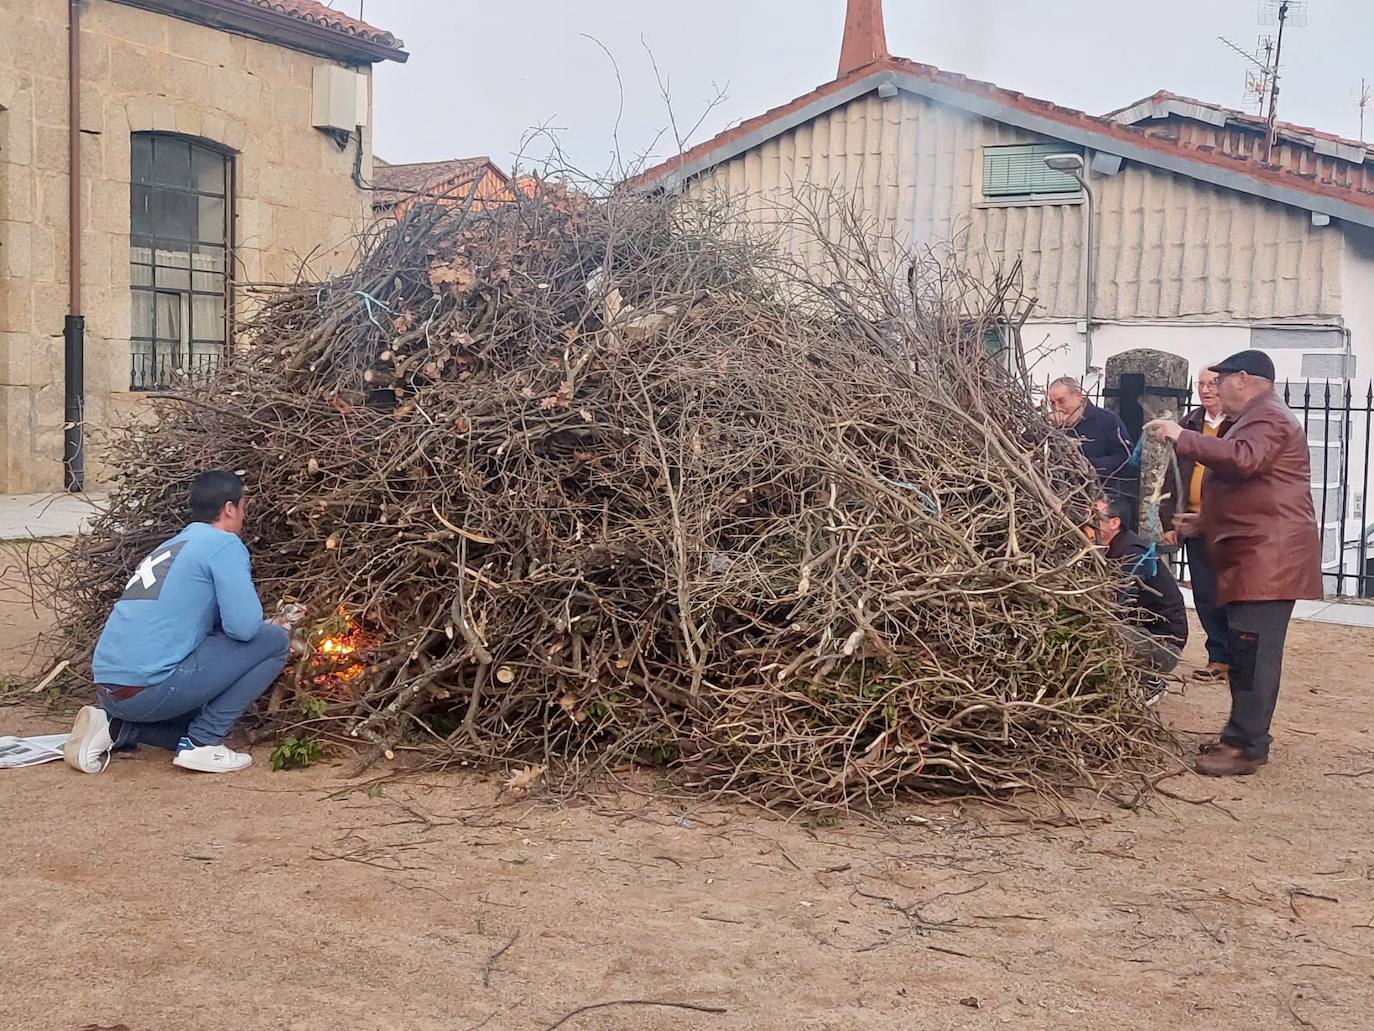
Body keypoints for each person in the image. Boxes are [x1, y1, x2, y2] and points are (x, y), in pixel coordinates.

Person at [1146, 350, 1321, 777]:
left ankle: (1246, 746)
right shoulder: (1257, 418)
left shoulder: (1268, 417)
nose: (1214, 390)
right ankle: (1240, 736)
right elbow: (1256, 491)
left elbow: (1244, 459)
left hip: (1269, 560)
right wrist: (1202, 522)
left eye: (1220, 381)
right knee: (1246, 652)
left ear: (1243, 378)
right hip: (1259, 556)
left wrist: (1180, 436)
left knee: (1254, 654)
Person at [63, 471, 290, 775]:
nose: (244, 514)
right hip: (149, 690)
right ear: (229, 508)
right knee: (274, 641)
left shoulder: (173, 546)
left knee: (204, 722)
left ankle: (116, 728)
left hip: (111, 690)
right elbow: (245, 628)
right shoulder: (224, 544)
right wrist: (274, 623)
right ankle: (203, 743)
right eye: (244, 506)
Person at [1160, 367, 1234, 684]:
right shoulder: (1189, 424)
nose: (1206, 390)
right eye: (1201, 384)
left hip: (1228, 524)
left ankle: (1238, 659)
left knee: (1232, 592)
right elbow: (1172, 474)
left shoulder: (1239, 424)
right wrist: (1168, 518)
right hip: (1193, 523)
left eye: (1213, 384)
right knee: (1204, 593)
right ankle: (1218, 656)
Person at [1092, 496, 1188, 705]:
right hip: (1140, 633)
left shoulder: (1133, 553)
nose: (1086, 521)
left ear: (1114, 522)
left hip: (1164, 646)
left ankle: (1150, 679)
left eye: (1094, 516)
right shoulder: (1104, 550)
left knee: (1102, 628)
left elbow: (1116, 605)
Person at [1048, 376, 1132, 496]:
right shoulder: (1049, 423)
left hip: (1099, 493)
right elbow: (1026, 443)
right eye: (1052, 403)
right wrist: (1048, 425)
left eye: (1061, 401)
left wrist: (1089, 466)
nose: (1057, 408)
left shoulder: (1106, 420)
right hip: (1059, 493)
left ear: (1078, 396)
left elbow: (1124, 456)